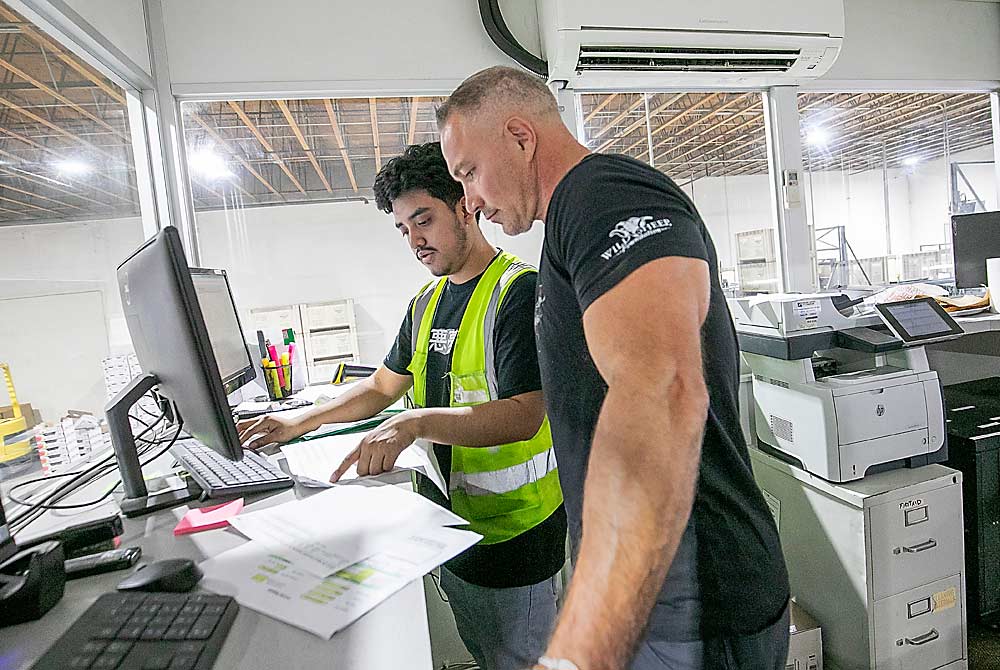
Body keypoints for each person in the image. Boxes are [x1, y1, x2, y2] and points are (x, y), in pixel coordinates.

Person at [436, 67, 790, 670]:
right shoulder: (566, 229)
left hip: (698, 610)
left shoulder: (605, 194)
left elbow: (662, 389)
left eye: (468, 172)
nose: (467, 201)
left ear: (521, 137)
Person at [237, 141, 567, 670]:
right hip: (452, 525)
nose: (414, 241)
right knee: (490, 652)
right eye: (403, 230)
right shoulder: (426, 302)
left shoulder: (518, 292)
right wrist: (298, 421)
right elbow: (381, 388)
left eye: (423, 220)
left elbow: (526, 413)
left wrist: (413, 424)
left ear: (465, 204)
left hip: (514, 536)